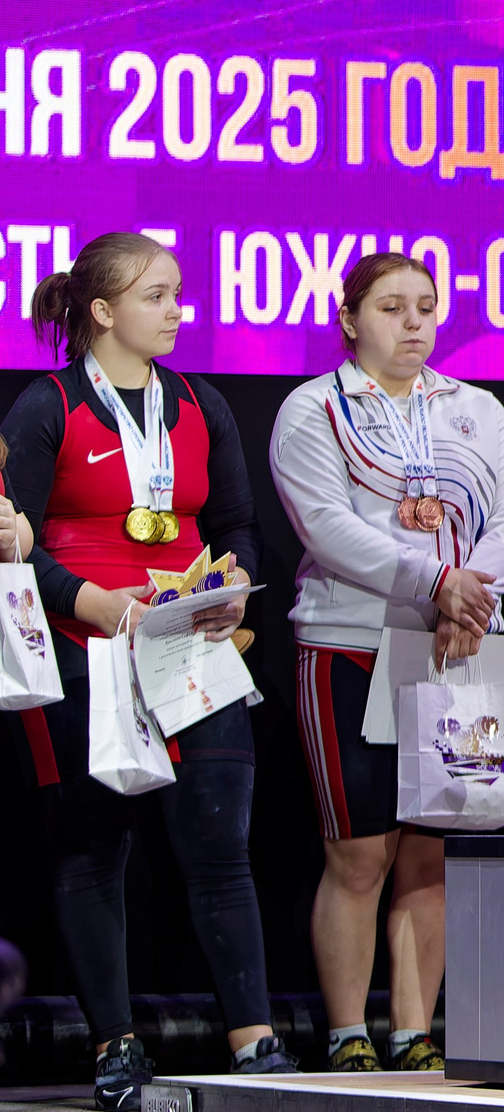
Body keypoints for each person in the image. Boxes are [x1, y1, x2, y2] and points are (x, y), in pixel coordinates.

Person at [0, 233, 293, 1106]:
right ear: (103, 311)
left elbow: (236, 521)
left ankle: (256, 1041)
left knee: (220, 847)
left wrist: (236, 576)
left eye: (176, 293)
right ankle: (115, 1047)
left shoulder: (202, 404)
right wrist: (93, 602)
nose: (175, 308)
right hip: (84, 653)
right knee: (95, 849)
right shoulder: (46, 405)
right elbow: (12, 541)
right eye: (156, 294)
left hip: (189, 650)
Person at [268, 251, 504, 1071]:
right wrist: (437, 581)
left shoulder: (475, 406)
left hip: (460, 646)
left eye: (425, 305)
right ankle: (349, 1030)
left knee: (432, 848)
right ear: (350, 319)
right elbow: (327, 526)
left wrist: (473, 592)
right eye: (390, 306)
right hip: (351, 642)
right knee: (360, 851)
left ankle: (415, 1028)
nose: (413, 321)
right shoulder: (313, 409)